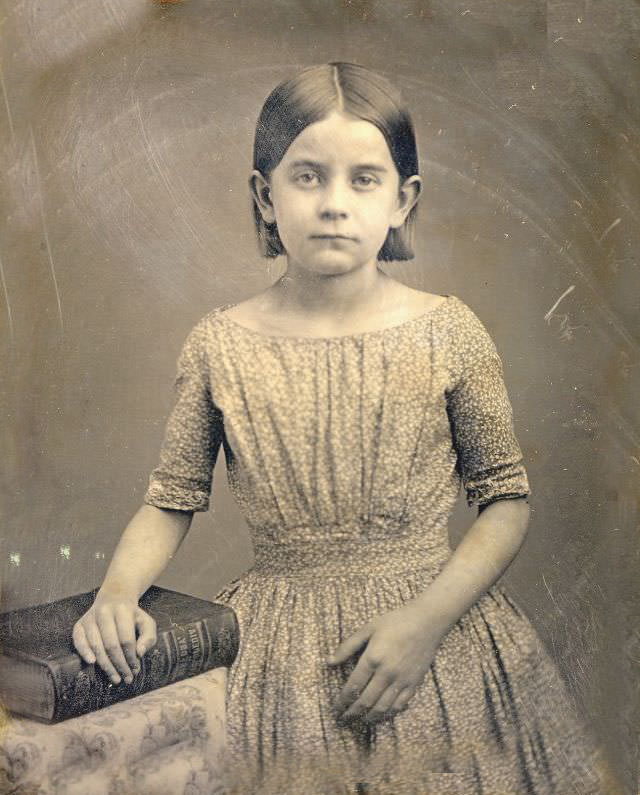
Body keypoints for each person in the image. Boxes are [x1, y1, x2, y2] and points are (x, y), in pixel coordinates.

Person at [72, 63, 611, 794]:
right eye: (307, 177)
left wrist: (423, 624)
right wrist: (116, 594)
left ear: (402, 200)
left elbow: (506, 500)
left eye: (363, 179)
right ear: (265, 196)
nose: (333, 204)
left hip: (436, 638)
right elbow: (171, 498)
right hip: (276, 665)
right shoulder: (219, 344)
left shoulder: (451, 332)